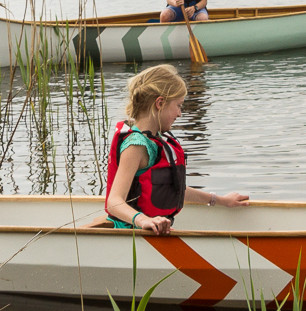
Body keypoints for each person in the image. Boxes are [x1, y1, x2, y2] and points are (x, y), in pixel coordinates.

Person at [104, 64, 248, 235]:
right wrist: (144, 220)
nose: (180, 114)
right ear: (160, 103)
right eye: (178, 105)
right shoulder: (136, 145)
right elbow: (114, 202)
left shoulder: (153, 140)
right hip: (134, 233)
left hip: (153, 229)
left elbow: (174, 189)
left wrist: (221, 200)